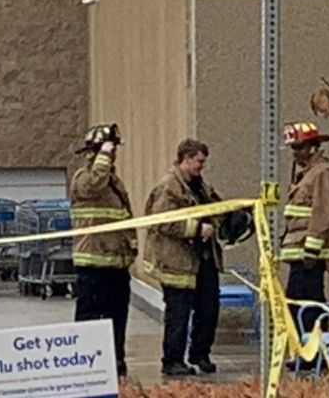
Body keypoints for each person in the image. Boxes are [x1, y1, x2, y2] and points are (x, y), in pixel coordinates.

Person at [142, 139, 238, 376]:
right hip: (178, 262)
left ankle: (200, 355)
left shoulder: (201, 186)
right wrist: (196, 229)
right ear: (185, 159)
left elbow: (216, 207)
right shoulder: (169, 187)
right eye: (199, 162)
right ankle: (172, 361)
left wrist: (232, 217)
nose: (201, 167)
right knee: (179, 313)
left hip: (204, 259)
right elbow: (163, 222)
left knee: (209, 310)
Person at [69, 123, 137, 381]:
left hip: (116, 265)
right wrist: (104, 155)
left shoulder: (112, 181)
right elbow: (93, 186)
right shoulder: (84, 179)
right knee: (89, 320)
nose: (115, 154)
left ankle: (115, 361)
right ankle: (85, 364)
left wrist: (130, 249)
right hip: (93, 266)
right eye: (111, 150)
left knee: (117, 318)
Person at [280, 122, 329, 355]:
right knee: (297, 304)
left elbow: (324, 212)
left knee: (308, 306)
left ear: (312, 147)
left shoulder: (322, 173)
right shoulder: (307, 174)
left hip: (309, 255)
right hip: (299, 252)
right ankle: (303, 352)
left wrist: (312, 248)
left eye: (299, 147)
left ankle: (312, 354)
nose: (295, 153)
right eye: (293, 148)